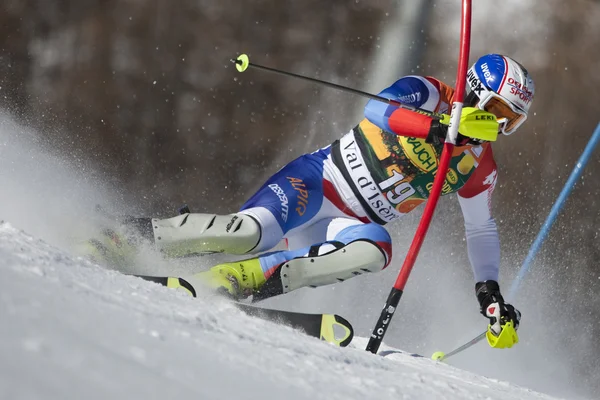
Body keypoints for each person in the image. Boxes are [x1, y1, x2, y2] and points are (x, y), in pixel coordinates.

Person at [87, 54, 534, 342]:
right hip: (319, 181)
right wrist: (437, 127)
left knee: (377, 249)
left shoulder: (479, 165)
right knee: (249, 232)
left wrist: (487, 290)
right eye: (497, 112)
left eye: (511, 122)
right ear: (476, 91)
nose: (499, 126)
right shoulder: (431, 93)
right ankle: (126, 236)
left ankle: (234, 280)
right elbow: (377, 108)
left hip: (349, 220)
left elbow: (481, 228)